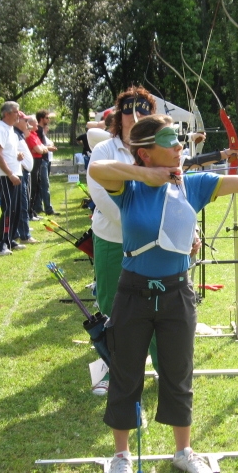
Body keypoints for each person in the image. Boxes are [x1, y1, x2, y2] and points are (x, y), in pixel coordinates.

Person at [89, 114, 238, 473]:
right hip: (133, 294)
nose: (179, 147)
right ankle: (121, 455)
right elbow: (97, 170)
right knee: (125, 373)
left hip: (176, 295)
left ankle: (183, 452)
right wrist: (144, 175)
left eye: (178, 141)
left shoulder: (193, 185)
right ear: (146, 153)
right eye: (169, 142)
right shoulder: (130, 187)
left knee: (178, 372)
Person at [86, 87, 155, 396]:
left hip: (154, 243)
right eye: (128, 109)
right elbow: (100, 192)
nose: (135, 114)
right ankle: (114, 370)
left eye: (142, 109)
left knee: (156, 304)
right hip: (113, 239)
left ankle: (163, 368)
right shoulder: (104, 151)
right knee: (113, 302)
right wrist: (134, 224)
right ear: (118, 114)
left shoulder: (159, 150)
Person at [0, 101, 24, 256]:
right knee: (8, 209)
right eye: (16, 112)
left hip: (15, 173)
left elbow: (9, 151)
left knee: (16, 208)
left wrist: (18, 155)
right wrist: (10, 173)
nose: (19, 115)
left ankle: (10, 239)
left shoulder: (11, 130)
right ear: (7, 114)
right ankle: (1, 243)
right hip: (5, 175)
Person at [13, 112, 37, 244]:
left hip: (25, 173)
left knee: (23, 202)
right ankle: (24, 234)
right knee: (22, 204)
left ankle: (22, 229)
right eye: (24, 121)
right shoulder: (14, 134)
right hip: (20, 173)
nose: (27, 124)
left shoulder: (19, 134)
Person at [34, 109, 59, 216]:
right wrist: (49, 148)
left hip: (43, 160)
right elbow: (39, 145)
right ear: (41, 118)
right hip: (42, 160)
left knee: (40, 185)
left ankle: (38, 208)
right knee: (45, 185)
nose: (48, 120)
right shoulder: (38, 130)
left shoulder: (40, 130)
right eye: (47, 118)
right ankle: (48, 209)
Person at [25, 115, 49, 220]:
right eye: (35, 123)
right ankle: (29, 212)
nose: (37, 125)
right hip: (34, 162)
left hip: (38, 162)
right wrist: (42, 149)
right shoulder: (29, 135)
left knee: (37, 186)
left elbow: (42, 147)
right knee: (33, 187)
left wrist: (42, 149)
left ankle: (33, 211)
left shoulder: (35, 134)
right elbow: (39, 150)